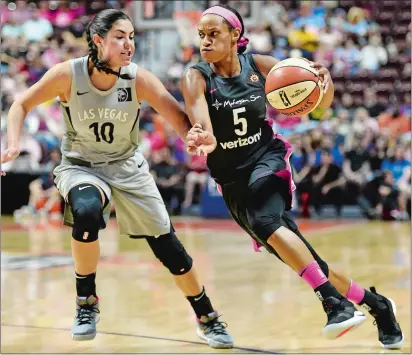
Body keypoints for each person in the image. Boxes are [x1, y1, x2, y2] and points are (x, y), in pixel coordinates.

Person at [1, 9, 233, 349]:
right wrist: (13, 144)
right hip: (81, 166)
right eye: (120, 37)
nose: (129, 45)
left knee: (171, 251)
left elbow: (177, 116)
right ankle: (86, 304)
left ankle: (208, 318)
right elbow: (21, 103)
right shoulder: (68, 74)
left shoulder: (137, 78)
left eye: (132, 37)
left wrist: (193, 137)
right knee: (87, 211)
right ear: (98, 41)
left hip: (127, 167)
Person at [181, 4, 403, 349]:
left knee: (265, 218)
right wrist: (204, 137)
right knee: (308, 261)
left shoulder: (261, 66)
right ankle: (377, 305)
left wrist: (322, 82)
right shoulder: (196, 76)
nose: (205, 42)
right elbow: (201, 121)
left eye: (214, 34)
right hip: (233, 181)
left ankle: (335, 304)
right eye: (202, 36)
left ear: (235, 36)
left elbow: (319, 105)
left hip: (267, 160)